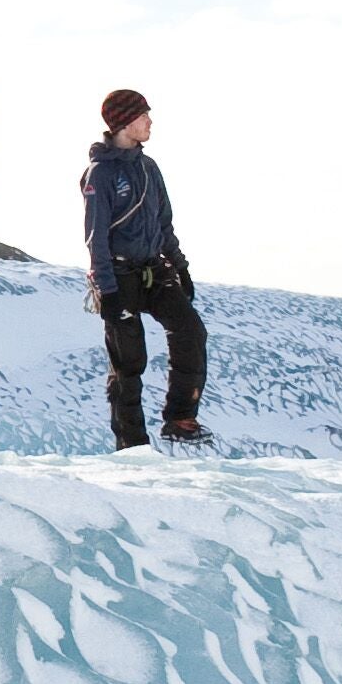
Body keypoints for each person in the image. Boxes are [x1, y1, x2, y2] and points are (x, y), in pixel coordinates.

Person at [81, 85, 207, 445]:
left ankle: (181, 419)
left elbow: (164, 223)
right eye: (142, 116)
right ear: (124, 123)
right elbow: (96, 237)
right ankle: (131, 444)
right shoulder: (100, 174)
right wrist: (108, 291)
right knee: (128, 361)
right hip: (119, 277)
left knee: (191, 332)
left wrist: (179, 266)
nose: (149, 121)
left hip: (155, 270)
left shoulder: (150, 168)